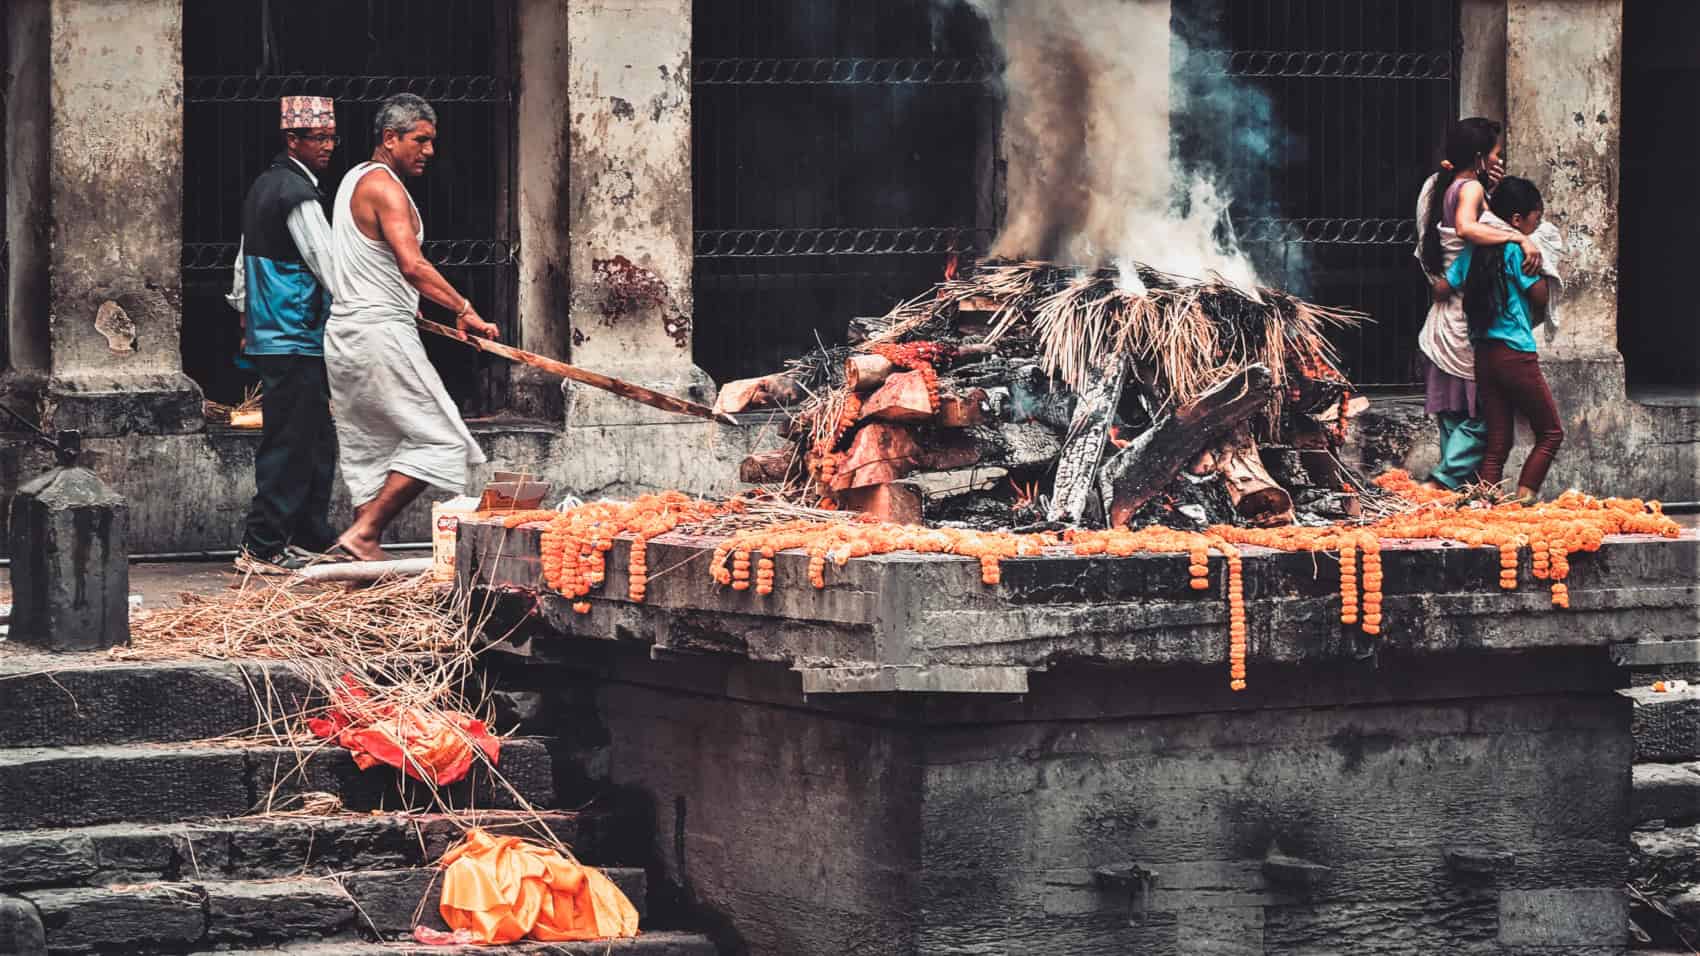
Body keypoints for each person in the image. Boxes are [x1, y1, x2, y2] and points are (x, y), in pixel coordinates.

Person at [324, 93, 500, 561]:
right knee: (442, 437)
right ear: (390, 138)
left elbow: (374, 266)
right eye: (419, 140)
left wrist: (415, 310)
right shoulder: (385, 187)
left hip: (348, 331)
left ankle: (362, 550)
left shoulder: (352, 180)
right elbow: (411, 264)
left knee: (372, 444)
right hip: (378, 333)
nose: (429, 151)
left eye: (431, 141)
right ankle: (364, 533)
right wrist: (464, 308)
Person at [228, 95, 341, 573]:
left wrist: (242, 310)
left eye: (332, 138)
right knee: (291, 441)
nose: (328, 147)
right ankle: (262, 545)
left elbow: (241, 261)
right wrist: (366, 308)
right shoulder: (296, 194)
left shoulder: (265, 186)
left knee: (315, 438)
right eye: (318, 138)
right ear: (292, 140)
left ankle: (311, 534)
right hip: (293, 329)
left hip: (278, 331)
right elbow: (328, 262)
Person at [1412, 117, 1539, 493]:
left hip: (1442, 321)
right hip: (1464, 323)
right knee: (1488, 417)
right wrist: (1519, 238)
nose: (1500, 160)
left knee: (1454, 415)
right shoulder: (1467, 190)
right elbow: (1467, 229)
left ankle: (1455, 495)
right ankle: (1440, 484)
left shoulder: (1443, 186)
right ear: (1481, 157)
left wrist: (1491, 188)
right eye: (1496, 154)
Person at [1446, 177, 1562, 502]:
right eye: (1534, 220)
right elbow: (1539, 297)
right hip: (1516, 354)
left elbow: (1445, 284)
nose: (1535, 227)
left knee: (1498, 440)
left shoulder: (1474, 248)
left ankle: (1484, 503)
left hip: (1484, 354)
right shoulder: (1516, 250)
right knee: (1551, 433)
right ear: (1516, 220)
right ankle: (1524, 501)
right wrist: (1543, 264)